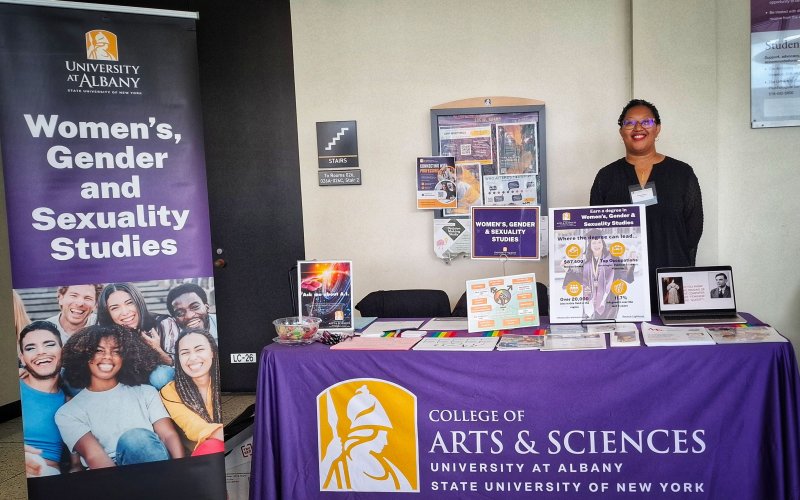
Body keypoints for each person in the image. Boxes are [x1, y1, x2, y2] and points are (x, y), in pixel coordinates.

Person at [590, 99, 703, 309]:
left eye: (646, 122)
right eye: (629, 123)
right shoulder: (606, 176)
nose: (638, 128)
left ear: (658, 129)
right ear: (621, 131)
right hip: (622, 284)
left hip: (671, 280)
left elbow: (693, 230)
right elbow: (595, 230)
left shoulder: (682, 173)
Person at [54, 324, 184, 469]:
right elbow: (94, 456)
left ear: (125, 357)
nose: (107, 357)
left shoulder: (146, 392)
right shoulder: (68, 413)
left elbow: (168, 435)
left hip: (156, 460)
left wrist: (179, 469)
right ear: (84, 356)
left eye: (116, 352)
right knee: (135, 439)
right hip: (110, 474)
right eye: (98, 350)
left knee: (137, 439)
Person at [321, 385, 412, 491]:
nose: (386, 442)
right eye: (383, 436)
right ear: (368, 433)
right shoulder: (339, 464)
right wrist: (328, 459)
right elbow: (312, 488)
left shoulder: (392, 470)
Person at [96, 283, 179, 388]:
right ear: (108, 313)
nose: (125, 312)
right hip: (131, 388)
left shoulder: (164, 323)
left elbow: (180, 365)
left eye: (130, 303)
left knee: (159, 376)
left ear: (138, 302)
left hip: (164, 386)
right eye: (115, 308)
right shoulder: (109, 334)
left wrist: (157, 350)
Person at [159, 329, 223, 455]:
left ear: (213, 353)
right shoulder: (169, 392)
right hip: (205, 452)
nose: (193, 357)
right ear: (178, 359)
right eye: (185, 353)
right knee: (212, 446)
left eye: (199, 349)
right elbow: (194, 427)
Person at [18, 321, 70, 477]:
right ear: (22, 358)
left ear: (63, 351)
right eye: (30, 348)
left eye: (49, 344)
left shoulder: (69, 403)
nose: (41, 352)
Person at [564, 229, 633, 320]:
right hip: (590, 299)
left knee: (607, 327)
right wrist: (568, 267)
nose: (597, 245)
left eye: (599, 242)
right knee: (589, 328)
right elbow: (578, 276)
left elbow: (625, 275)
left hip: (609, 300)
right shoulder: (586, 262)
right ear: (589, 245)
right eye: (594, 243)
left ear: (603, 243)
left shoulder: (613, 258)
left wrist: (631, 265)